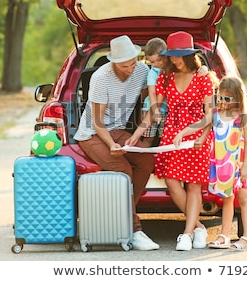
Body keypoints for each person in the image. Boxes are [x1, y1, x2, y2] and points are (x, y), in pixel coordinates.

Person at [126, 31, 214, 251]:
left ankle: (186, 234)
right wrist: (135, 136)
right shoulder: (167, 77)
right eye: (171, 55)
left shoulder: (203, 78)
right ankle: (199, 227)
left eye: (179, 55)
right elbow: (154, 112)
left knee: (194, 186)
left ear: (189, 55)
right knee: (173, 183)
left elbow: (210, 114)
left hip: (195, 137)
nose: (174, 60)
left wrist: (187, 132)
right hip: (171, 137)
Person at [73, 35, 159, 251]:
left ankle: (123, 215)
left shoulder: (141, 71)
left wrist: (139, 135)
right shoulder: (101, 78)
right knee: (122, 169)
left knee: (146, 160)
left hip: (118, 130)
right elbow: (98, 121)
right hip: (92, 133)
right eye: (124, 65)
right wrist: (112, 144)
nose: (131, 68)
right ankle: (135, 230)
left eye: (133, 62)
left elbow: (146, 103)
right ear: (113, 62)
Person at [205, 76, 247, 251]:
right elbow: (200, 124)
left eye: (227, 99)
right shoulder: (217, 114)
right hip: (223, 163)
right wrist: (181, 134)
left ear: (237, 98)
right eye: (220, 98)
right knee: (227, 198)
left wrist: (245, 166)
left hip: (238, 163)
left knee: (243, 197)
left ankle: (246, 237)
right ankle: (224, 235)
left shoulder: (243, 117)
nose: (223, 102)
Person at [141, 37, 168, 147]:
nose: (156, 64)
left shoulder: (171, 69)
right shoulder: (152, 73)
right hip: (150, 108)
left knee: (165, 138)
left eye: (159, 60)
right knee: (149, 138)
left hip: (167, 109)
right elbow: (152, 93)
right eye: (152, 62)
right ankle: (143, 158)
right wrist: (155, 110)